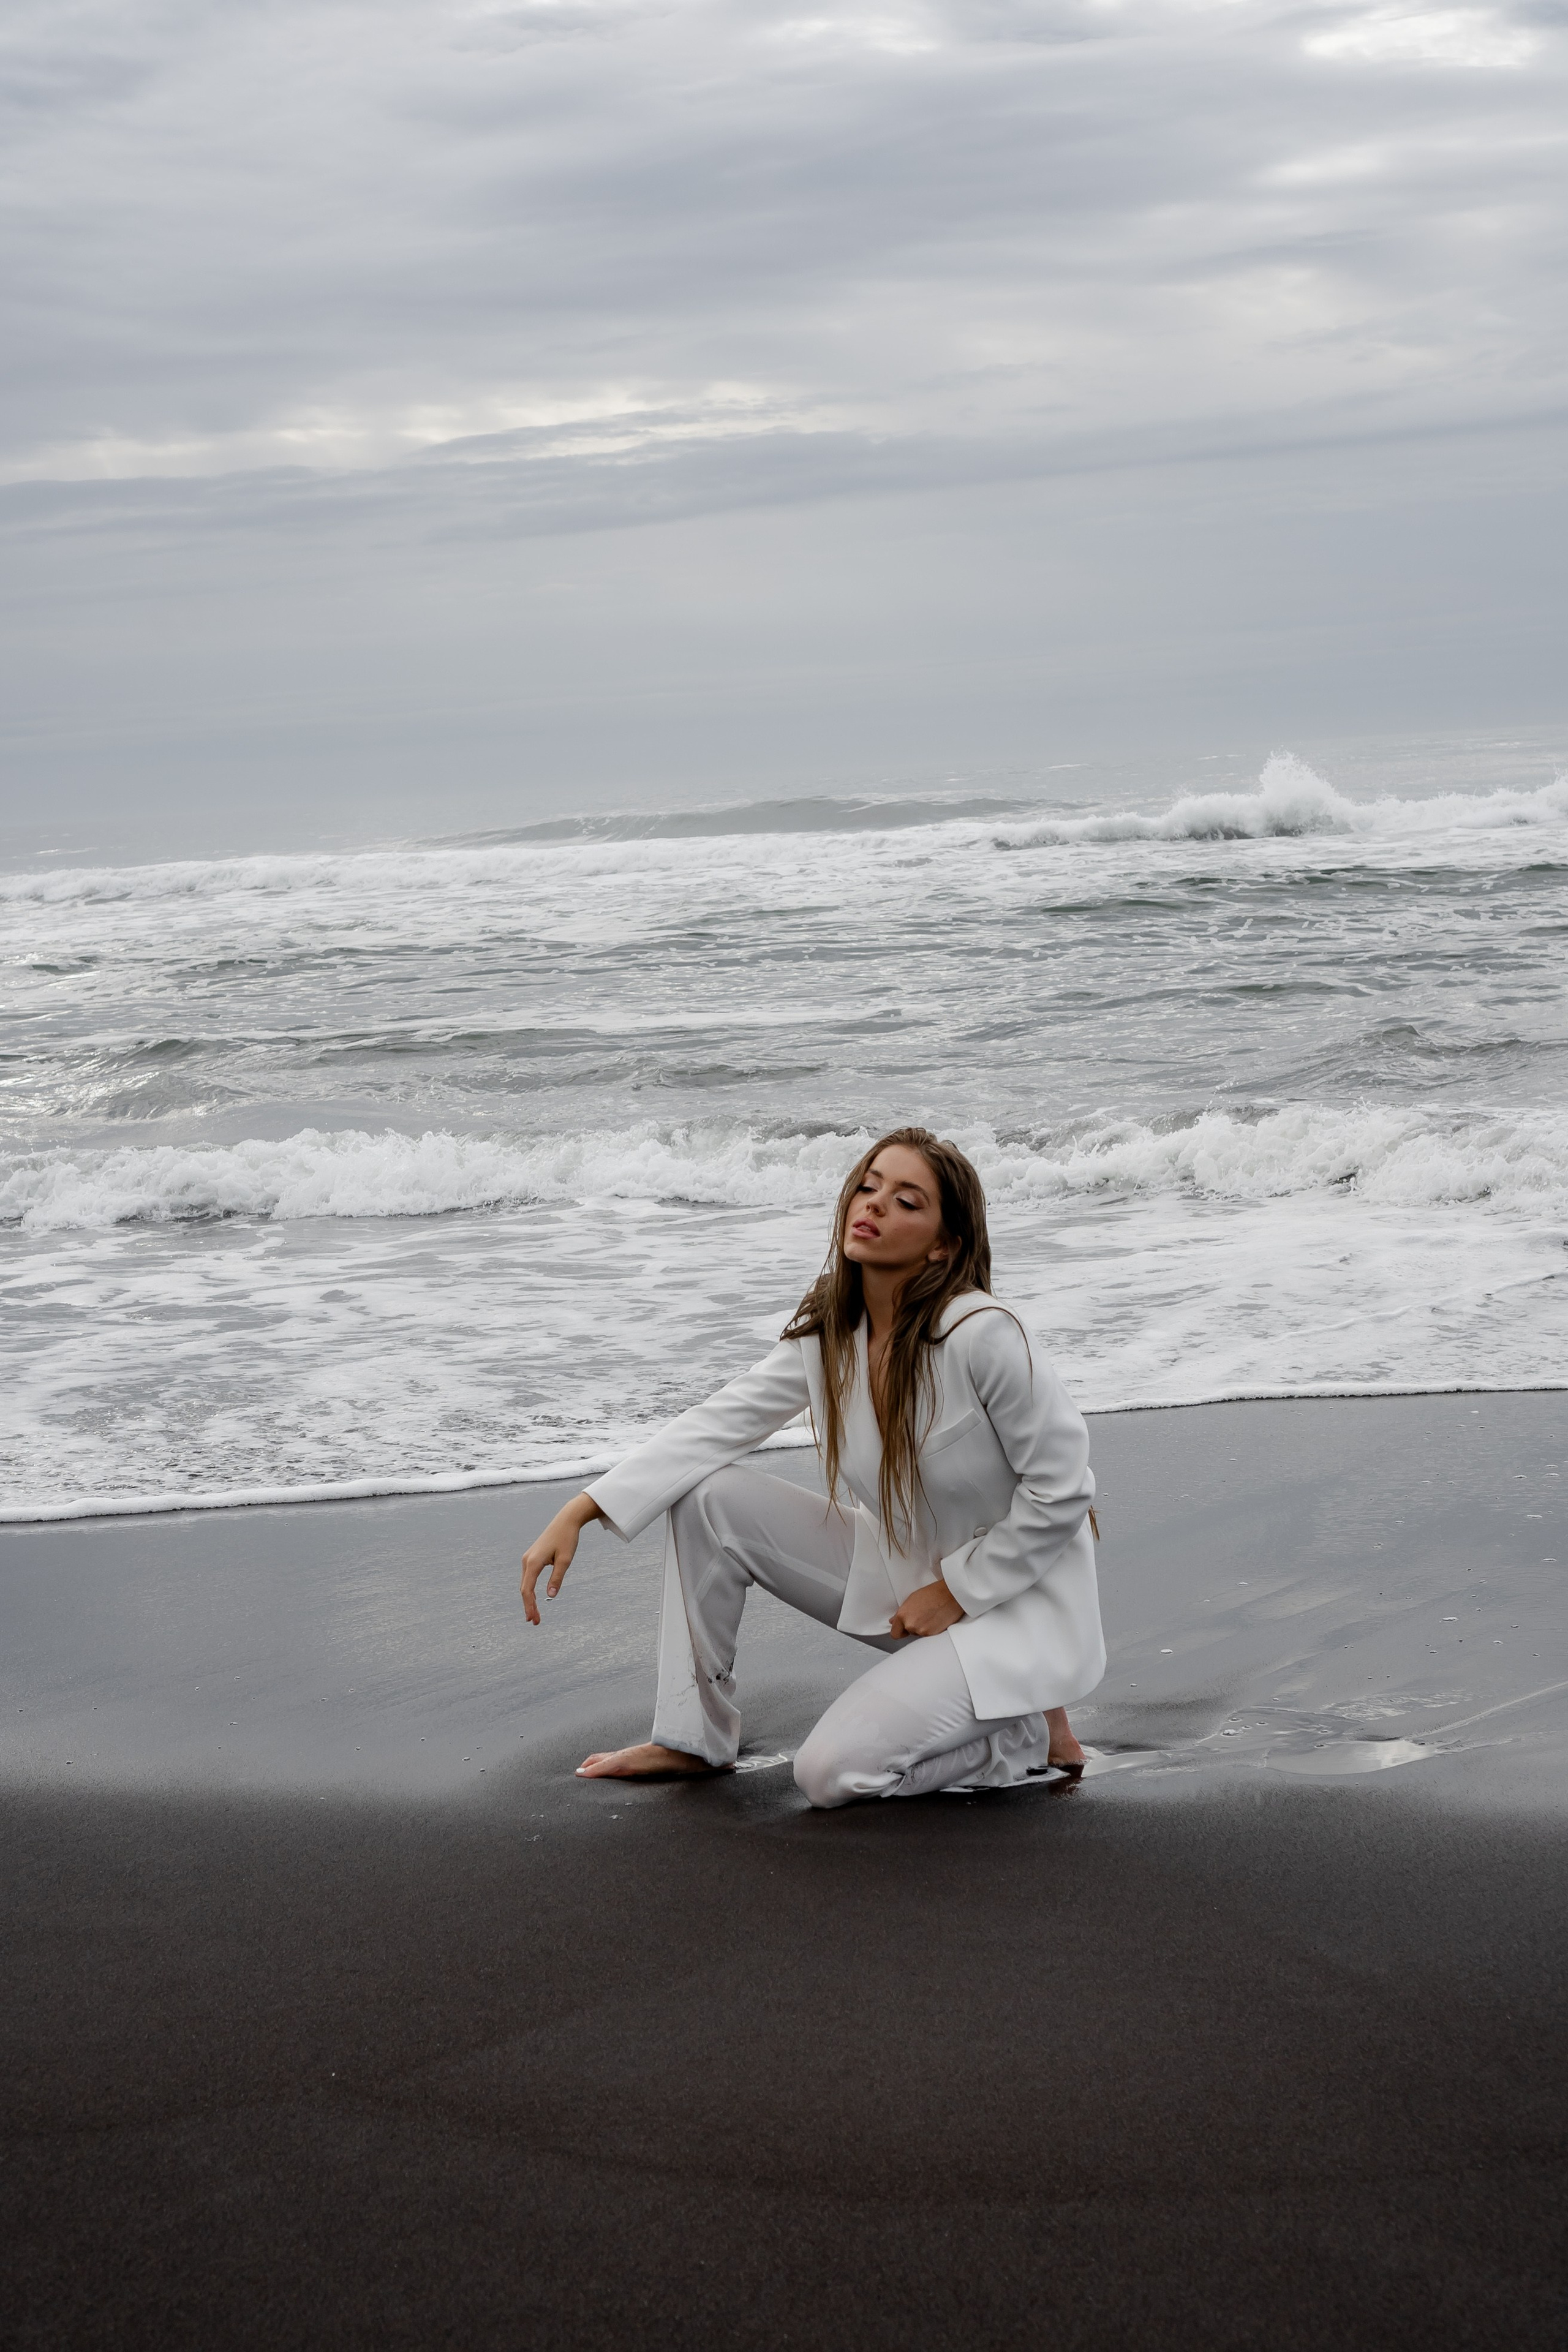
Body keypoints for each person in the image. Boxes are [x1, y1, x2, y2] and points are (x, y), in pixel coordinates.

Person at [520, 1127, 1104, 1809]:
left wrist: (958, 1592)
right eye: (868, 1185)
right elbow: (717, 1424)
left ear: (945, 1243)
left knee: (830, 1776)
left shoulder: (983, 1334)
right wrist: (583, 1509)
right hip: (907, 1585)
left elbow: (1063, 1490)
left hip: (1011, 1617)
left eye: (907, 1200)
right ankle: (693, 1738)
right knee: (708, 1496)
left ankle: (1024, 1735)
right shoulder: (834, 1332)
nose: (876, 1204)